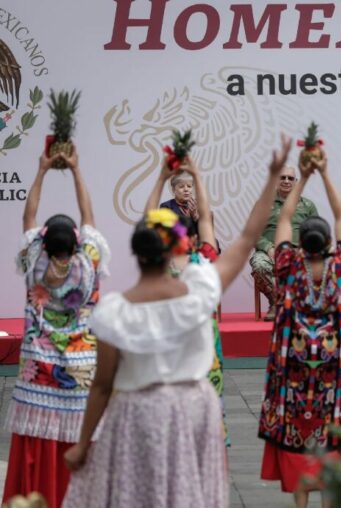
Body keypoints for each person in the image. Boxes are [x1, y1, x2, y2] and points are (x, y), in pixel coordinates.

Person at [61, 134, 293, 507]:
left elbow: (102, 386)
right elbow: (250, 235)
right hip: (193, 408)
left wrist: (84, 443)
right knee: (189, 492)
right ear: (175, 246)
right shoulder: (201, 283)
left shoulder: (113, 311)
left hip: (135, 412)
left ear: (135, 253)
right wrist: (264, 177)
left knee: (138, 494)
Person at [3, 147, 110, 508]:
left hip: (39, 374)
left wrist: (42, 170)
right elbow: (90, 216)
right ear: (77, 242)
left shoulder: (34, 261)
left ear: (43, 243)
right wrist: (77, 170)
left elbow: (27, 215)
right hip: (81, 372)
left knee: (39, 444)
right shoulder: (89, 262)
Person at [257, 148, 341, 508]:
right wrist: (324, 174)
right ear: (330, 243)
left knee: (297, 439)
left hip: (294, 376)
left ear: (301, 243)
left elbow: (284, 218)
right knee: (330, 439)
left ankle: (301, 505)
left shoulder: (287, 264)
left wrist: (302, 178)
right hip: (332, 373)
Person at [144, 155, 229, 445]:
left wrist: (197, 216)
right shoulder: (201, 262)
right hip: (199, 345)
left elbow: (205, 221)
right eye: (182, 188)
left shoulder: (162, 266)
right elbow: (207, 225)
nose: (187, 192)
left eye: (191, 187)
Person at [250, 164, 318, 321]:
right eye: (282, 177)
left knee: (318, 264)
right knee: (260, 265)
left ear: (296, 181)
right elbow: (253, 232)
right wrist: (269, 249)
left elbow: (316, 232)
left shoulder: (307, 205)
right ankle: (277, 303)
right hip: (270, 251)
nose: (286, 181)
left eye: (290, 178)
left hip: (299, 251)